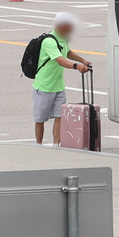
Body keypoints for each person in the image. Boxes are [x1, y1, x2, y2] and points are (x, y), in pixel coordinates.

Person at [33, 12, 92, 145]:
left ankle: (56, 145)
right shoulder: (49, 41)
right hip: (45, 86)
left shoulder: (63, 38)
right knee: (40, 119)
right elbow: (60, 60)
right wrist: (77, 66)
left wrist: (82, 60)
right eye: (70, 26)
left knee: (60, 117)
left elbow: (67, 52)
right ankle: (38, 145)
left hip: (58, 85)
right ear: (62, 26)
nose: (72, 29)